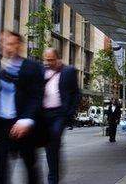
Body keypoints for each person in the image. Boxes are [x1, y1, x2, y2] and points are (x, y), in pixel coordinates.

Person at [0, 31, 44, 184]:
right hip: (2, 130)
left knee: (30, 169)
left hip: (24, 128)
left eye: (9, 43)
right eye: (3, 44)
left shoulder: (32, 68)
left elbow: (37, 97)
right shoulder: (0, 74)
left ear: (19, 46)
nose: (5, 47)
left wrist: (26, 120)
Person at [41, 48, 80, 184]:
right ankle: (54, 169)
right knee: (49, 146)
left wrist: (69, 113)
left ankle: (52, 178)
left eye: (51, 60)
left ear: (58, 58)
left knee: (54, 138)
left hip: (60, 114)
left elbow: (76, 94)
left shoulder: (68, 71)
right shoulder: (42, 71)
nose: (49, 62)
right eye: (47, 60)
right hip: (44, 114)